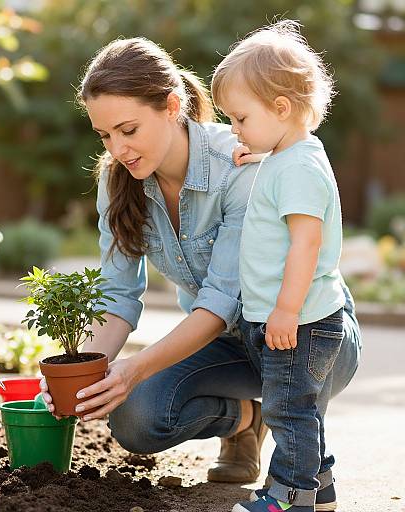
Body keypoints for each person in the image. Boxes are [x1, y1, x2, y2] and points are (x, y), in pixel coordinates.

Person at [40, 36, 361, 491]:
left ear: (172, 106)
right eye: (104, 135)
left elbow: (220, 301)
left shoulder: (239, 163)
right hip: (234, 346)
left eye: (128, 130)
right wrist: (85, 376)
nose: (117, 149)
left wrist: (134, 368)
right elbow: (117, 296)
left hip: (301, 338)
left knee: (278, 396)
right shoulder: (117, 182)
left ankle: (297, 480)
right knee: (135, 417)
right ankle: (246, 420)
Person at [211, 21, 361, 512]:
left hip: (300, 320)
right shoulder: (286, 156)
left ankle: (287, 496)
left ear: (280, 108)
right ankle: (320, 486)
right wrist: (255, 155)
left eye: (240, 118)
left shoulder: (297, 169)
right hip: (291, 318)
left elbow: (306, 244)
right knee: (296, 408)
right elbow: (278, 169)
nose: (235, 128)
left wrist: (286, 309)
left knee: (287, 410)